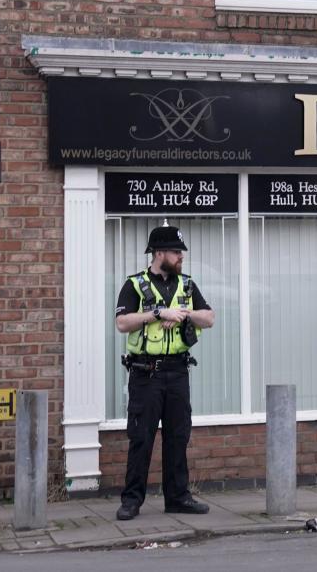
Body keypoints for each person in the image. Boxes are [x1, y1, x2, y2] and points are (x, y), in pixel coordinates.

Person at [114, 223, 215, 521]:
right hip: (146, 374)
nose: (181, 255)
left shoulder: (187, 284)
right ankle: (132, 500)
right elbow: (122, 323)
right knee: (141, 438)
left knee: (178, 436)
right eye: (175, 251)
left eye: (180, 250)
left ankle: (178, 498)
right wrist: (158, 313)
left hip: (178, 371)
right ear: (159, 253)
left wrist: (183, 313)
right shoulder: (134, 284)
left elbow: (209, 318)